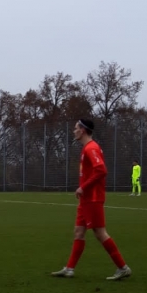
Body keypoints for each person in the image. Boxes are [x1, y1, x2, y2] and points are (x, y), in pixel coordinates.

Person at [51, 119, 132, 281]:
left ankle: (123, 267)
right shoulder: (86, 148)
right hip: (86, 199)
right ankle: (69, 269)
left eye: (75, 128)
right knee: (78, 232)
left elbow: (101, 170)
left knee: (99, 232)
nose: (73, 131)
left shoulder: (91, 148)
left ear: (82, 130)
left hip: (93, 198)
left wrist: (83, 187)